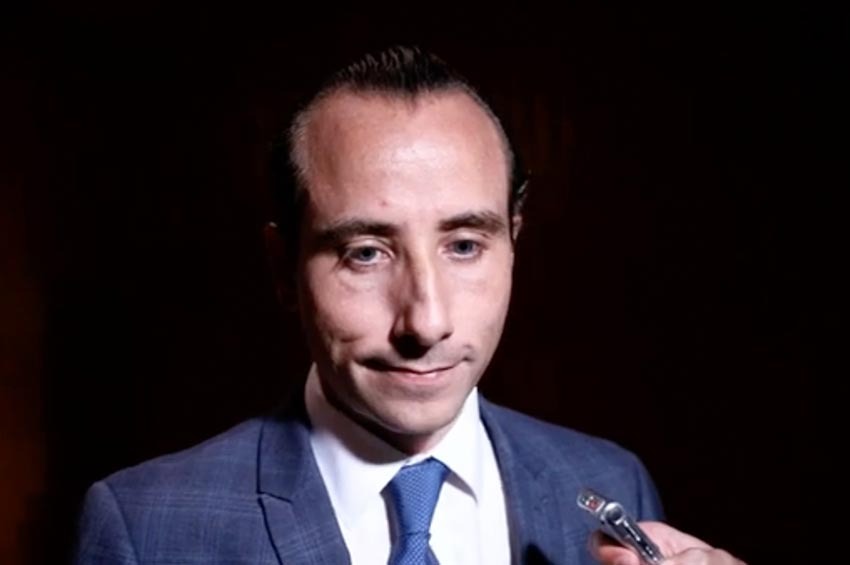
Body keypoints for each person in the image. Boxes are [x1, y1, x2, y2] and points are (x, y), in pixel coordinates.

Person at [74, 46, 745, 565]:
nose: (426, 322)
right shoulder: (147, 528)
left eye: (464, 245)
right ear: (283, 268)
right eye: (366, 253)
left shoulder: (609, 479)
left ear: (513, 242)